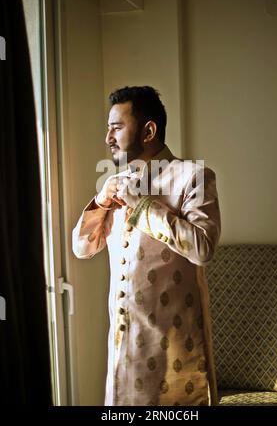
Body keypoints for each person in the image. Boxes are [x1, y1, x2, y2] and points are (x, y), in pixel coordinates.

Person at [72, 86, 221, 406]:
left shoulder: (193, 176)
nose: (108, 138)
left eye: (116, 127)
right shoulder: (115, 185)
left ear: (149, 130)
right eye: (107, 128)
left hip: (174, 354)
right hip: (122, 353)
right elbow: (81, 248)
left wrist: (143, 206)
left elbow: (204, 248)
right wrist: (99, 202)